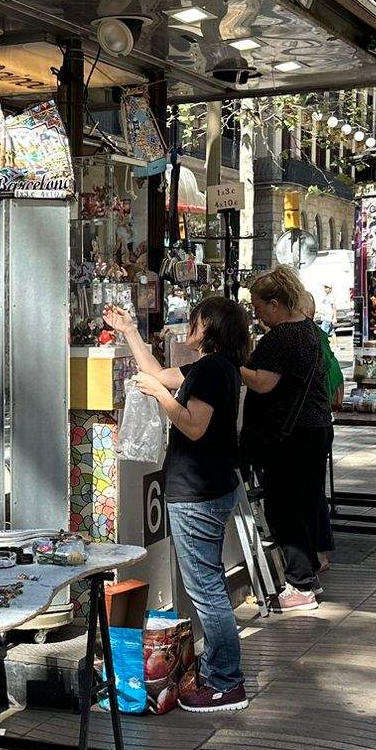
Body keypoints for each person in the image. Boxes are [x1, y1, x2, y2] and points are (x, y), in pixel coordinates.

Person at [106, 297, 252, 713]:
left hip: (199, 493)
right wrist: (130, 331)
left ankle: (226, 683)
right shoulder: (215, 368)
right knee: (208, 585)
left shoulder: (211, 370)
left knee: (206, 589)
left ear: (211, 327)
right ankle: (220, 674)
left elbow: (192, 424)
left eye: (196, 319)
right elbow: (155, 372)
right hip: (209, 488)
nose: (190, 325)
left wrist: (159, 396)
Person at [240, 267, 333, 610]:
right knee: (305, 503)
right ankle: (308, 577)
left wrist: (229, 365)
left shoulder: (281, 337)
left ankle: (300, 586)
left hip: (289, 436)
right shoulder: (308, 330)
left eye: (259, 306)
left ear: (275, 304)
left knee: (285, 508)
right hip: (314, 428)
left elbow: (263, 382)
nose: (257, 313)